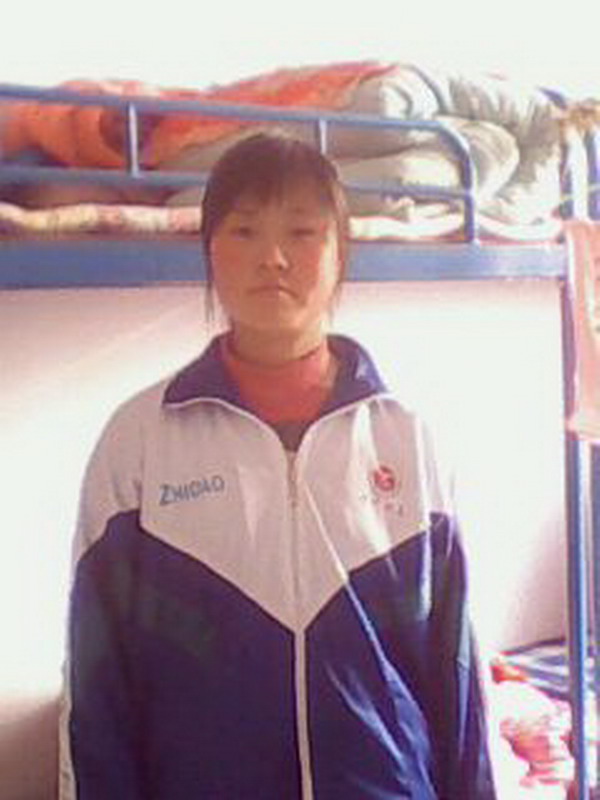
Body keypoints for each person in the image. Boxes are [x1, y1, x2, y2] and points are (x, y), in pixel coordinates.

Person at [59, 131, 497, 799]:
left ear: (340, 251)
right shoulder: (140, 442)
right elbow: (97, 686)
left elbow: (457, 673)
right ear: (210, 250)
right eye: (244, 231)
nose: (273, 258)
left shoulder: (406, 435)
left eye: (301, 231)